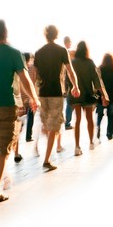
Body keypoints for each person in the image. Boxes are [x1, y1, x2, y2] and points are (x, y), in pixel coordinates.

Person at [0, 19, 40, 204]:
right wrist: (34, 98)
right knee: (6, 148)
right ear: (6, 32)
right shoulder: (14, 54)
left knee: (1, 141)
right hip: (8, 104)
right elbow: (25, 79)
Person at [34, 25, 80, 171]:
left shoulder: (39, 52)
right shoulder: (62, 50)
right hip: (55, 93)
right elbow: (70, 71)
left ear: (45, 35)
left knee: (49, 125)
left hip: (42, 93)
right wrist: (75, 86)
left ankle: (48, 147)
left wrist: (34, 96)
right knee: (53, 127)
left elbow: (35, 76)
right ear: (56, 35)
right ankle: (47, 160)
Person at [68, 41, 109, 156]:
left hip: (76, 95)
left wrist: (71, 90)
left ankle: (77, 146)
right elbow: (96, 81)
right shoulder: (90, 63)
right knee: (89, 119)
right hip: (88, 95)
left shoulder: (73, 62)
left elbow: (68, 79)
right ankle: (91, 142)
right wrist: (103, 96)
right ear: (86, 50)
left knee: (77, 120)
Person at [97, 53, 113, 140]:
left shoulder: (99, 70)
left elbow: (96, 84)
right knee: (111, 116)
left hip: (100, 97)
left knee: (100, 115)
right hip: (111, 97)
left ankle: (97, 130)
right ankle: (110, 134)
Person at [63, 36, 76, 130]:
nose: (71, 44)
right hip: (68, 79)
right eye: (70, 42)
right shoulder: (66, 52)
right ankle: (67, 123)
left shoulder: (67, 52)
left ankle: (67, 121)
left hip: (66, 80)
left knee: (70, 102)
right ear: (67, 42)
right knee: (70, 102)